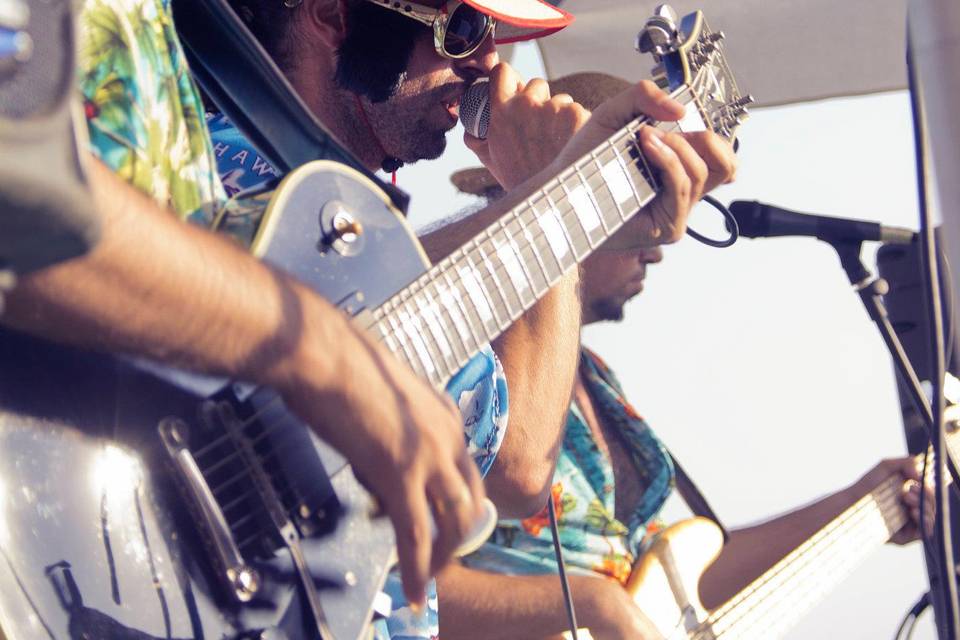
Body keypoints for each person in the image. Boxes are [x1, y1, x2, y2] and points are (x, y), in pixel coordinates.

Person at [0, 3, 735, 639]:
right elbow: (520, 465)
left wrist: (564, 199)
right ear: (331, 15)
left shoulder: (352, 221)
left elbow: (507, 451)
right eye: (466, 30)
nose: (488, 67)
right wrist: (315, 343)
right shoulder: (234, 150)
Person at [433, 74, 935, 640]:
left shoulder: (599, 383)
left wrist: (860, 503)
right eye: (639, 203)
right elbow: (383, 580)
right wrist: (587, 604)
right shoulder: (454, 354)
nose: (657, 246)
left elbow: (673, 591)